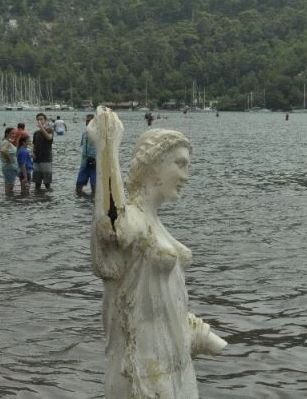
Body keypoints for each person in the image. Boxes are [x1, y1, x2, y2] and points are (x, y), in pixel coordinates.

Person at [89, 106, 226, 398]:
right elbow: (109, 225)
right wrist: (107, 145)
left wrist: (196, 333)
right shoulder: (133, 221)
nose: (186, 176)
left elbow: (164, 300)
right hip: (141, 370)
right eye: (180, 164)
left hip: (174, 364)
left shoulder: (155, 224)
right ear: (154, 164)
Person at [76, 114, 97, 196]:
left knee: (94, 186)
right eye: (86, 120)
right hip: (84, 163)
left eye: (89, 121)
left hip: (95, 163)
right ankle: (81, 203)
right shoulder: (84, 134)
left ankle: (94, 202)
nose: (87, 122)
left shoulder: (98, 134)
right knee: (78, 185)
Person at [32, 112, 54, 190]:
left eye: (41, 119)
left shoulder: (49, 130)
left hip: (46, 159)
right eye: (38, 119)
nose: (39, 121)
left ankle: (48, 198)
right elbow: (34, 145)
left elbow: (49, 138)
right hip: (37, 159)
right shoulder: (36, 133)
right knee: (37, 182)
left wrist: (41, 127)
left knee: (47, 182)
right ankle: (38, 197)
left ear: (45, 120)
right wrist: (33, 153)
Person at [0, 127, 18, 196]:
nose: (14, 135)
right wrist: (9, 161)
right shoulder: (6, 142)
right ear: (7, 133)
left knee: (9, 184)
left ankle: (8, 201)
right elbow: (3, 151)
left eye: (15, 133)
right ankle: (9, 200)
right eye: (12, 133)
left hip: (9, 166)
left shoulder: (7, 141)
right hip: (9, 166)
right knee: (10, 185)